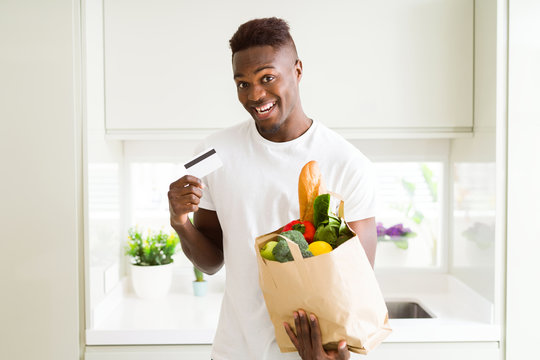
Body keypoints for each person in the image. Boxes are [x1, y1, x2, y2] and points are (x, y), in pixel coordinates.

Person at [168, 17, 377, 360]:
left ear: (297, 70)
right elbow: (211, 262)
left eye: (267, 78)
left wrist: (334, 354)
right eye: (242, 84)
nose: (255, 95)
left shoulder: (349, 163)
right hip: (233, 351)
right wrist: (179, 222)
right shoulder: (210, 153)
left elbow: (358, 287)